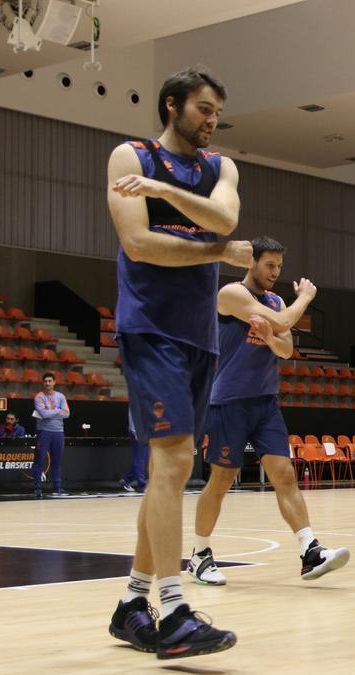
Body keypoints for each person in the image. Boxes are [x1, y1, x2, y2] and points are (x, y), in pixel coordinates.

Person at [106, 66, 253, 659]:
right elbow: (139, 244)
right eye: (202, 109)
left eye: (217, 111)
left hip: (200, 336)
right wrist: (217, 252)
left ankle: (131, 604)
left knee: (174, 465)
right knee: (170, 460)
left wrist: (165, 193)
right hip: (150, 328)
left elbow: (226, 221)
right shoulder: (128, 156)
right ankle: (172, 610)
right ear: (171, 106)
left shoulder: (221, 167)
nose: (211, 120)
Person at [187, 236, 349, 585]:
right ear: (252, 263)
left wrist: (271, 337)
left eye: (279, 266)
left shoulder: (274, 300)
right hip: (229, 402)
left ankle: (309, 550)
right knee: (221, 480)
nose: (276, 272)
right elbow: (285, 323)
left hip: (265, 402)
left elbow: (286, 347)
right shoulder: (231, 294)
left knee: (285, 475)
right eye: (269, 265)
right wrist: (304, 298)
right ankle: (199, 555)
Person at [32, 372, 69, 497]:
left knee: (57, 461)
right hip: (44, 432)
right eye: (45, 381)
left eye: (50, 381)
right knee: (40, 459)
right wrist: (59, 410)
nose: (47, 383)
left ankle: (57, 487)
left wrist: (51, 412)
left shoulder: (61, 396)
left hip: (58, 432)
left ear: (54, 382)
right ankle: (37, 487)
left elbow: (67, 413)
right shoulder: (39, 396)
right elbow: (43, 414)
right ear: (43, 383)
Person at [120, 411, 148, 493]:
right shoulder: (136, 398)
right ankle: (142, 485)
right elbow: (132, 413)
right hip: (138, 432)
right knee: (140, 459)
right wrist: (135, 431)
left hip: (145, 431)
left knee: (145, 457)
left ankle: (126, 480)